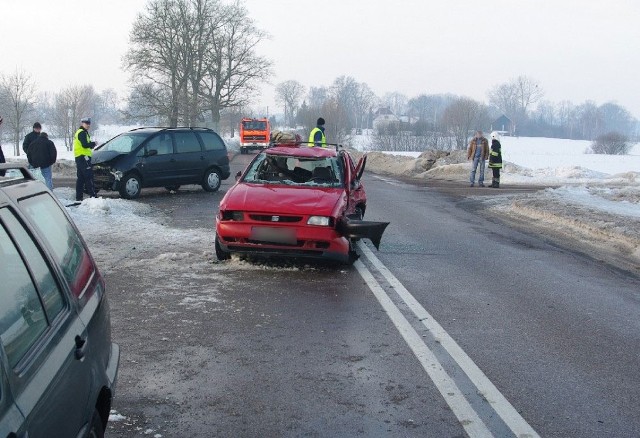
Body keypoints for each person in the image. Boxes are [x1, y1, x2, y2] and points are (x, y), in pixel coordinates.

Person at [74, 117, 98, 201]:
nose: (88, 125)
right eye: (86, 123)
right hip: (84, 157)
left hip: (79, 157)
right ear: (82, 123)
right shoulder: (82, 133)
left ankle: (79, 197)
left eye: (89, 123)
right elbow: (84, 145)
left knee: (81, 178)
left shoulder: (80, 132)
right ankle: (93, 197)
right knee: (89, 176)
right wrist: (93, 144)